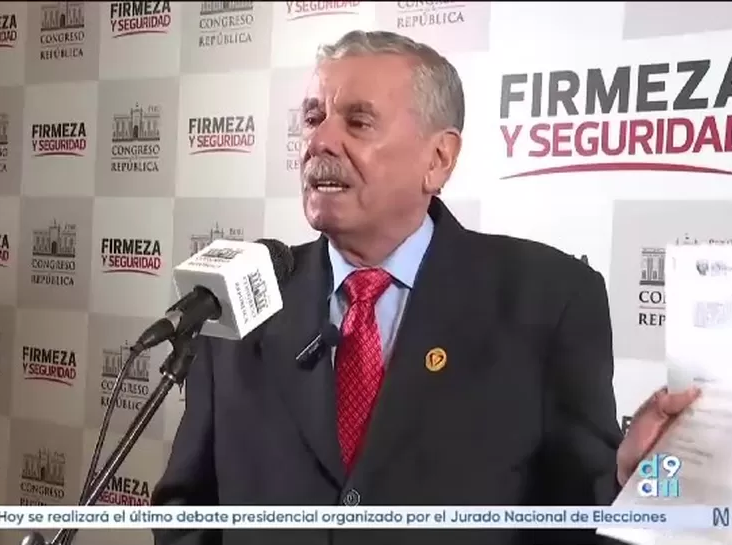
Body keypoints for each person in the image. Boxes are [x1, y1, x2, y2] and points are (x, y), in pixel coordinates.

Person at [151, 30, 699, 545]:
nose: (319, 140)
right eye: (313, 118)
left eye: (358, 122)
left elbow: (574, 514)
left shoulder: (549, 299)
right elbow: (189, 509)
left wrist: (629, 484)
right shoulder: (242, 296)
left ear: (438, 160)